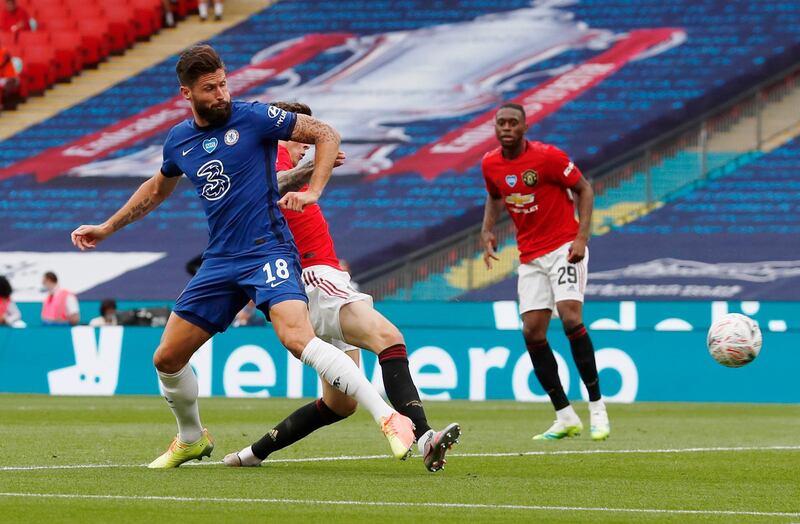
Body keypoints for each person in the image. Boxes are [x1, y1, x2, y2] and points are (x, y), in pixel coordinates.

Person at [70, 44, 414, 468]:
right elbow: (157, 190)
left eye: (223, 83)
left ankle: (388, 417)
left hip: (267, 251)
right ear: (186, 93)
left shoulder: (253, 117)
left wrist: (314, 190)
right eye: (210, 88)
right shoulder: (180, 140)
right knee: (167, 357)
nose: (221, 94)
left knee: (296, 339)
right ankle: (191, 437)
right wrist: (107, 227)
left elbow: (325, 133)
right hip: (220, 261)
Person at [223, 102, 460, 473]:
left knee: (339, 404)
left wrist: (309, 170)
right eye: (301, 137)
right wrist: (309, 169)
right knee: (389, 337)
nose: (306, 145)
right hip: (312, 277)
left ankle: (251, 454)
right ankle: (426, 434)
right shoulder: (267, 166)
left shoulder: (286, 169)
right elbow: (268, 191)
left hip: (324, 277)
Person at [480, 102, 610, 441]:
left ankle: (597, 408)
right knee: (533, 332)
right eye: (501, 123)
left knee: (570, 318)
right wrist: (488, 229)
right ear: (495, 128)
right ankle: (565, 415)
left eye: (513, 123)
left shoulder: (548, 157)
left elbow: (585, 188)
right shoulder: (490, 163)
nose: (506, 127)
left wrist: (582, 236)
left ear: (524, 127)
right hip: (530, 256)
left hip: (564, 247)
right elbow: (494, 196)